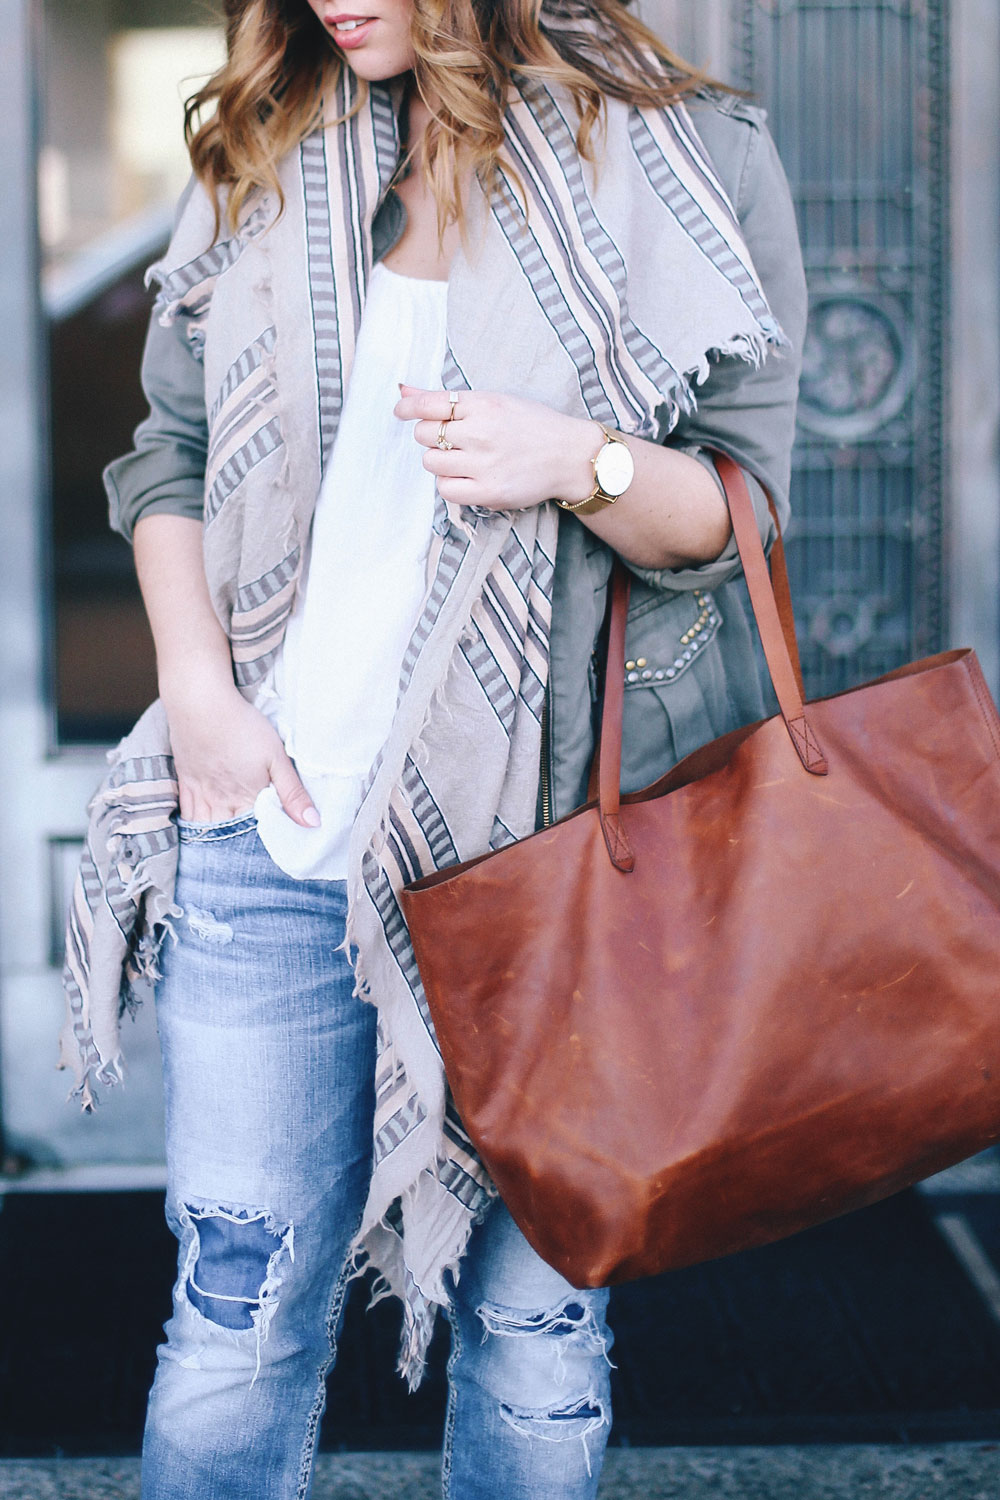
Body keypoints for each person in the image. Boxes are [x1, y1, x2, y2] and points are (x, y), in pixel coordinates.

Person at [60, 2, 807, 1496]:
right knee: (234, 1317)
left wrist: (577, 462)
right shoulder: (265, 146)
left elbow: (741, 512)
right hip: (270, 821)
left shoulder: (688, 157)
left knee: (535, 1333)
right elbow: (169, 455)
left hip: (543, 854)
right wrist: (199, 692)